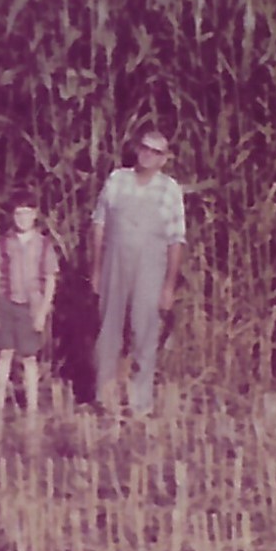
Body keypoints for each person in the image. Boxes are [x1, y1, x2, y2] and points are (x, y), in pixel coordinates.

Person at [90, 129, 185, 415]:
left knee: (145, 331)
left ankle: (140, 402)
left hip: (151, 268)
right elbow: (99, 224)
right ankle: (104, 398)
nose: (148, 154)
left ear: (163, 159)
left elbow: (176, 240)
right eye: (144, 148)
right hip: (114, 265)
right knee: (108, 329)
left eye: (156, 152)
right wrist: (95, 269)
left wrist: (169, 286)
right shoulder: (118, 180)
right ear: (137, 149)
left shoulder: (169, 189)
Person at [0, 188, 60, 423]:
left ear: (35, 215)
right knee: (5, 353)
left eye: (27, 214)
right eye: (18, 214)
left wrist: (42, 312)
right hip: (7, 303)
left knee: (29, 357)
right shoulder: (4, 243)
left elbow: (50, 279)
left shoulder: (44, 244)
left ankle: (32, 407)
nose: (22, 219)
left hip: (31, 306)